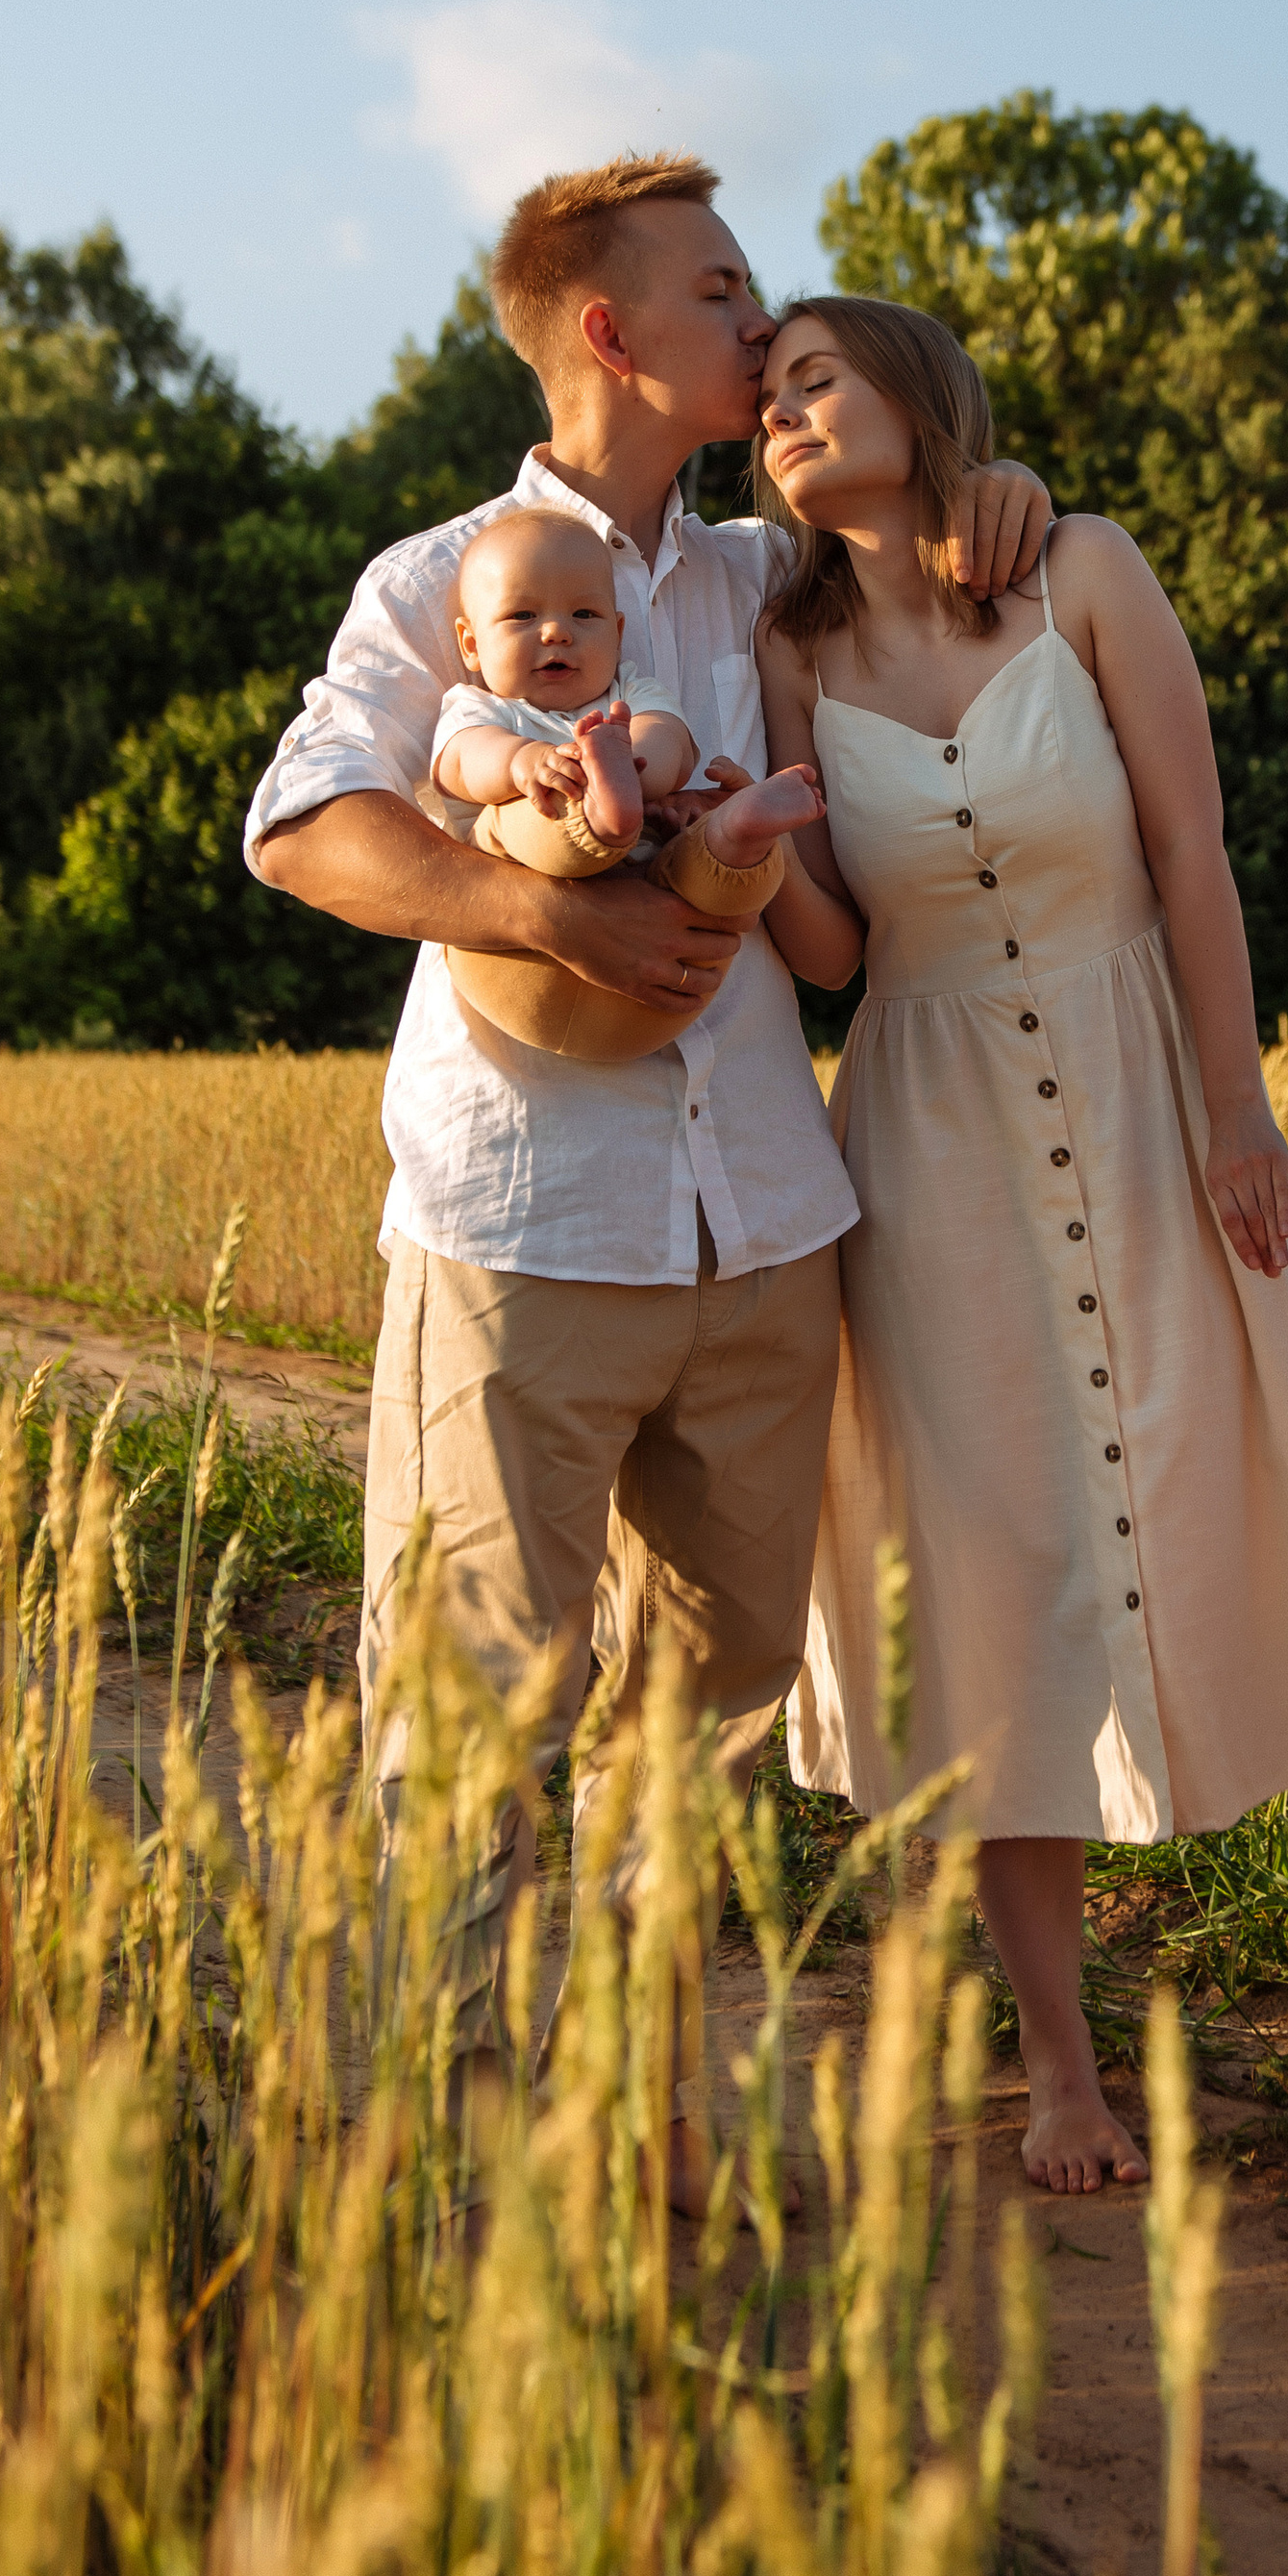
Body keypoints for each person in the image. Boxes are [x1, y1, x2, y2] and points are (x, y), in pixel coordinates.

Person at [244, 159, 1050, 2195]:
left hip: (765, 1225)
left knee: (701, 1714)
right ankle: (455, 2138)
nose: (756, 318)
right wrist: (545, 926)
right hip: (524, 1223)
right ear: (609, 331)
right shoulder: (446, 572)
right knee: (475, 1700)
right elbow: (307, 826)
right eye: (718, 290)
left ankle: (645, 2102)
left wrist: (992, 494)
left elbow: (935, 577)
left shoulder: (758, 584)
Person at [745, 294, 1288, 2198]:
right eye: (765, 402)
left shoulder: (1089, 573)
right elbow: (828, 954)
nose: (783, 416)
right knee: (981, 1575)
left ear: (910, 384)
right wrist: (743, 844)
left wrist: (1234, 1106)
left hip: (1139, 1094)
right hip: (924, 1141)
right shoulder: (785, 642)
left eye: (815, 377)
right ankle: (1058, 2061)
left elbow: (1192, 856)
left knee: (1198, 1485)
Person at [433, 504, 827, 1063]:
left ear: (618, 632)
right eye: (521, 616)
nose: (556, 632)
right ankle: (598, 812)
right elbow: (461, 762)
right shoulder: (485, 711)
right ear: (471, 644)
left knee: (703, 865)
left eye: (585, 615)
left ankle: (739, 834)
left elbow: (671, 740)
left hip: (664, 950)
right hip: (530, 959)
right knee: (520, 819)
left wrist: (634, 765)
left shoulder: (626, 696)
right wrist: (524, 763)